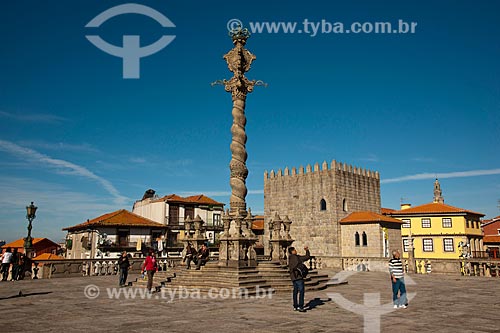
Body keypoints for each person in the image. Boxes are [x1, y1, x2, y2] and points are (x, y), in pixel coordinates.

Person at [288, 246, 310, 312]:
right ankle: (300, 306)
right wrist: (307, 250)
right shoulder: (297, 257)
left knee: (295, 291)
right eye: (295, 250)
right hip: (299, 277)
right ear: (292, 251)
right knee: (301, 291)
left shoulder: (289, 258)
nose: (296, 251)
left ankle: (295, 306)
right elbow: (307, 257)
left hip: (293, 277)